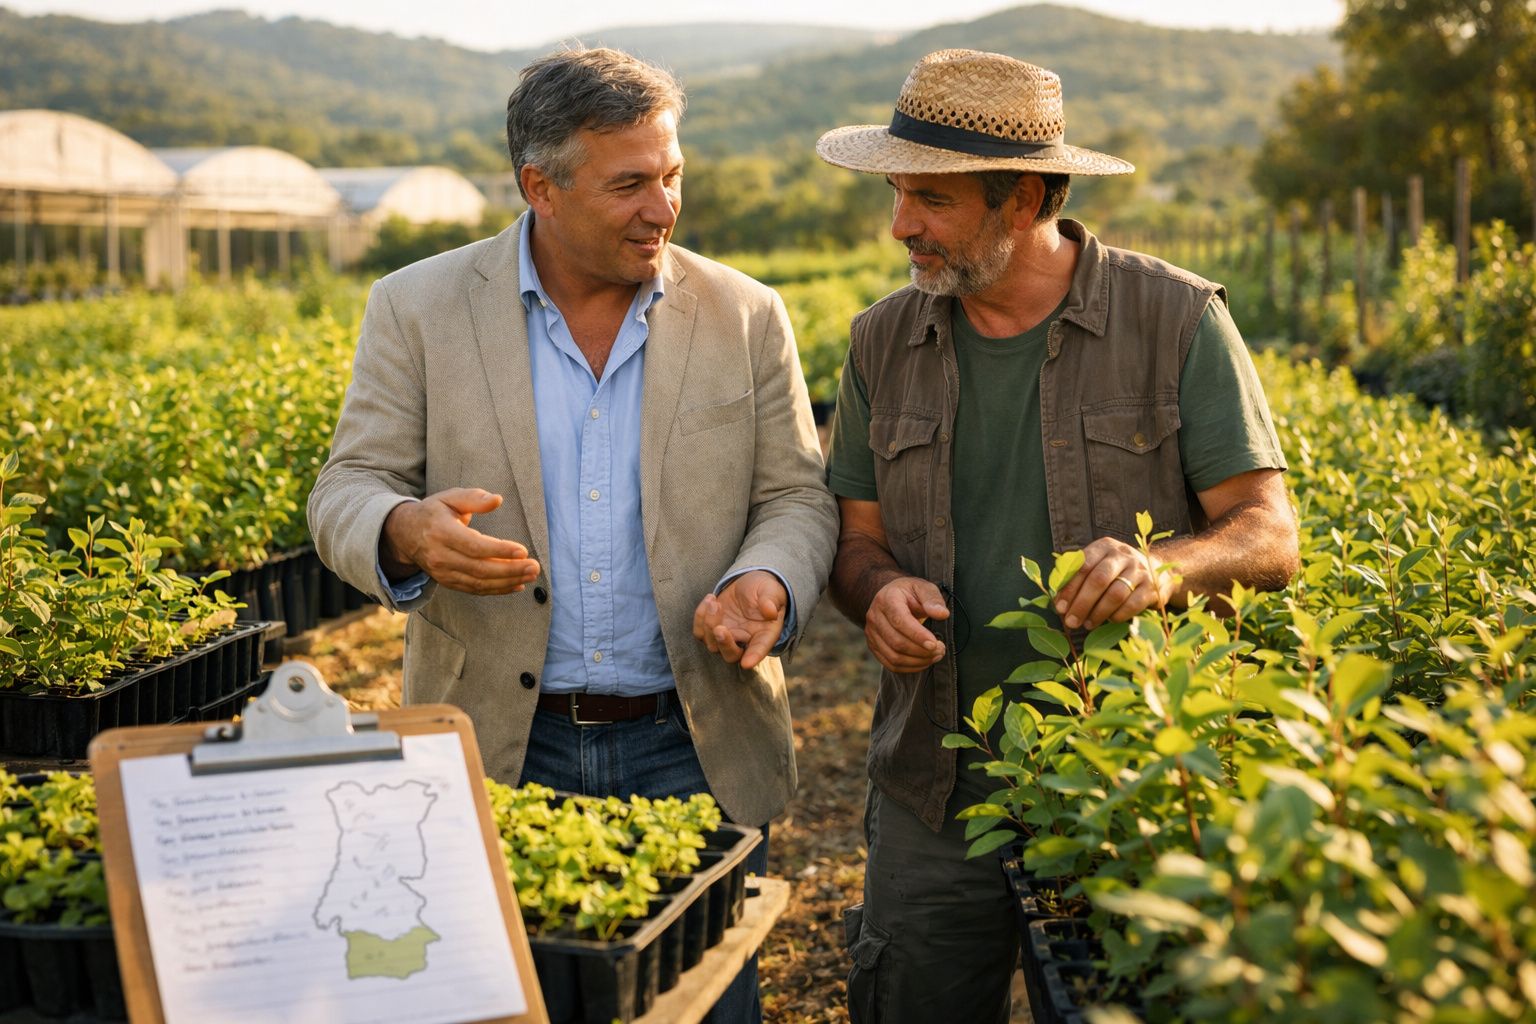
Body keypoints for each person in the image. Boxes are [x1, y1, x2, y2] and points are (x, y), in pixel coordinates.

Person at [308, 47, 838, 1023]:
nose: (665, 207)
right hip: (503, 746)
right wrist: (403, 530)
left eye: (673, 175)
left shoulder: (747, 315)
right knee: (507, 1004)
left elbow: (798, 496)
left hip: (695, 741)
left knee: (709, 1003)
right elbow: (347, 485)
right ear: (538, 188)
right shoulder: (418, 308)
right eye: (630, 183)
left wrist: (769, 576)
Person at [815, 49, 1300, 1023]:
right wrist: (876, 592)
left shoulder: (1173, 320)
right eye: (899, 194)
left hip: (1124, 774)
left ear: (1026, 198)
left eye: (932, 201)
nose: (901, 224)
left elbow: (1268, 533)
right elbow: (852, 539)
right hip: (936, 780)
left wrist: (1163, 570)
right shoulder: (881, 341)